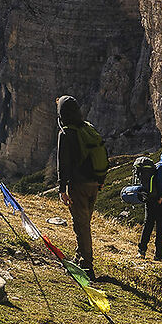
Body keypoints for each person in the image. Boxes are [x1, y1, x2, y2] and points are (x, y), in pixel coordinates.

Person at [55, 94, 108, 277]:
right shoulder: (87, 128)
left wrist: (62, 188)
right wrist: (100, 181)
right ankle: (80, 258)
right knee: (83, 223)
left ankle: (86, 266)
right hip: (94, 184)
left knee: (81, 225)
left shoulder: (67, 133)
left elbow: (63, 164)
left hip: (78, 185)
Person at [138, 147, 162, 260]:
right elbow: (160, 181)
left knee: (148, 225)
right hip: (160, 203)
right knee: (160, 229)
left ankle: (142, 251)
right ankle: (159, 255)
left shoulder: (157, 165)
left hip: (150, 200)